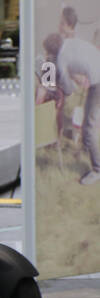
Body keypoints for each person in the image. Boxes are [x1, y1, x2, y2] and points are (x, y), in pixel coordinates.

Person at [45, 32, 100, 185]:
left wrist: (61, 88)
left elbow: (69, 90)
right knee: (88, 121)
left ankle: (97, 170)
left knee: (89, 128)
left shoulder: (61, 59)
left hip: (98, 82)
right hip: (97, 72)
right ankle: (84, 150)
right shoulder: (69, 42)